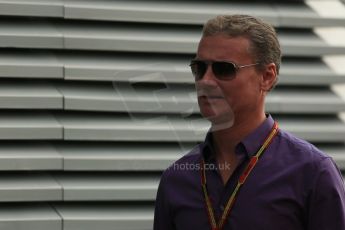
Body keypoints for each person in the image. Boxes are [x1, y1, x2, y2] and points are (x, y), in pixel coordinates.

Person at [153, 14, 345, 230]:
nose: (205, 81)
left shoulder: (312, 174)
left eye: (223, 69)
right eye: (199, 68)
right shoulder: (176, 178)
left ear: (267, 76)